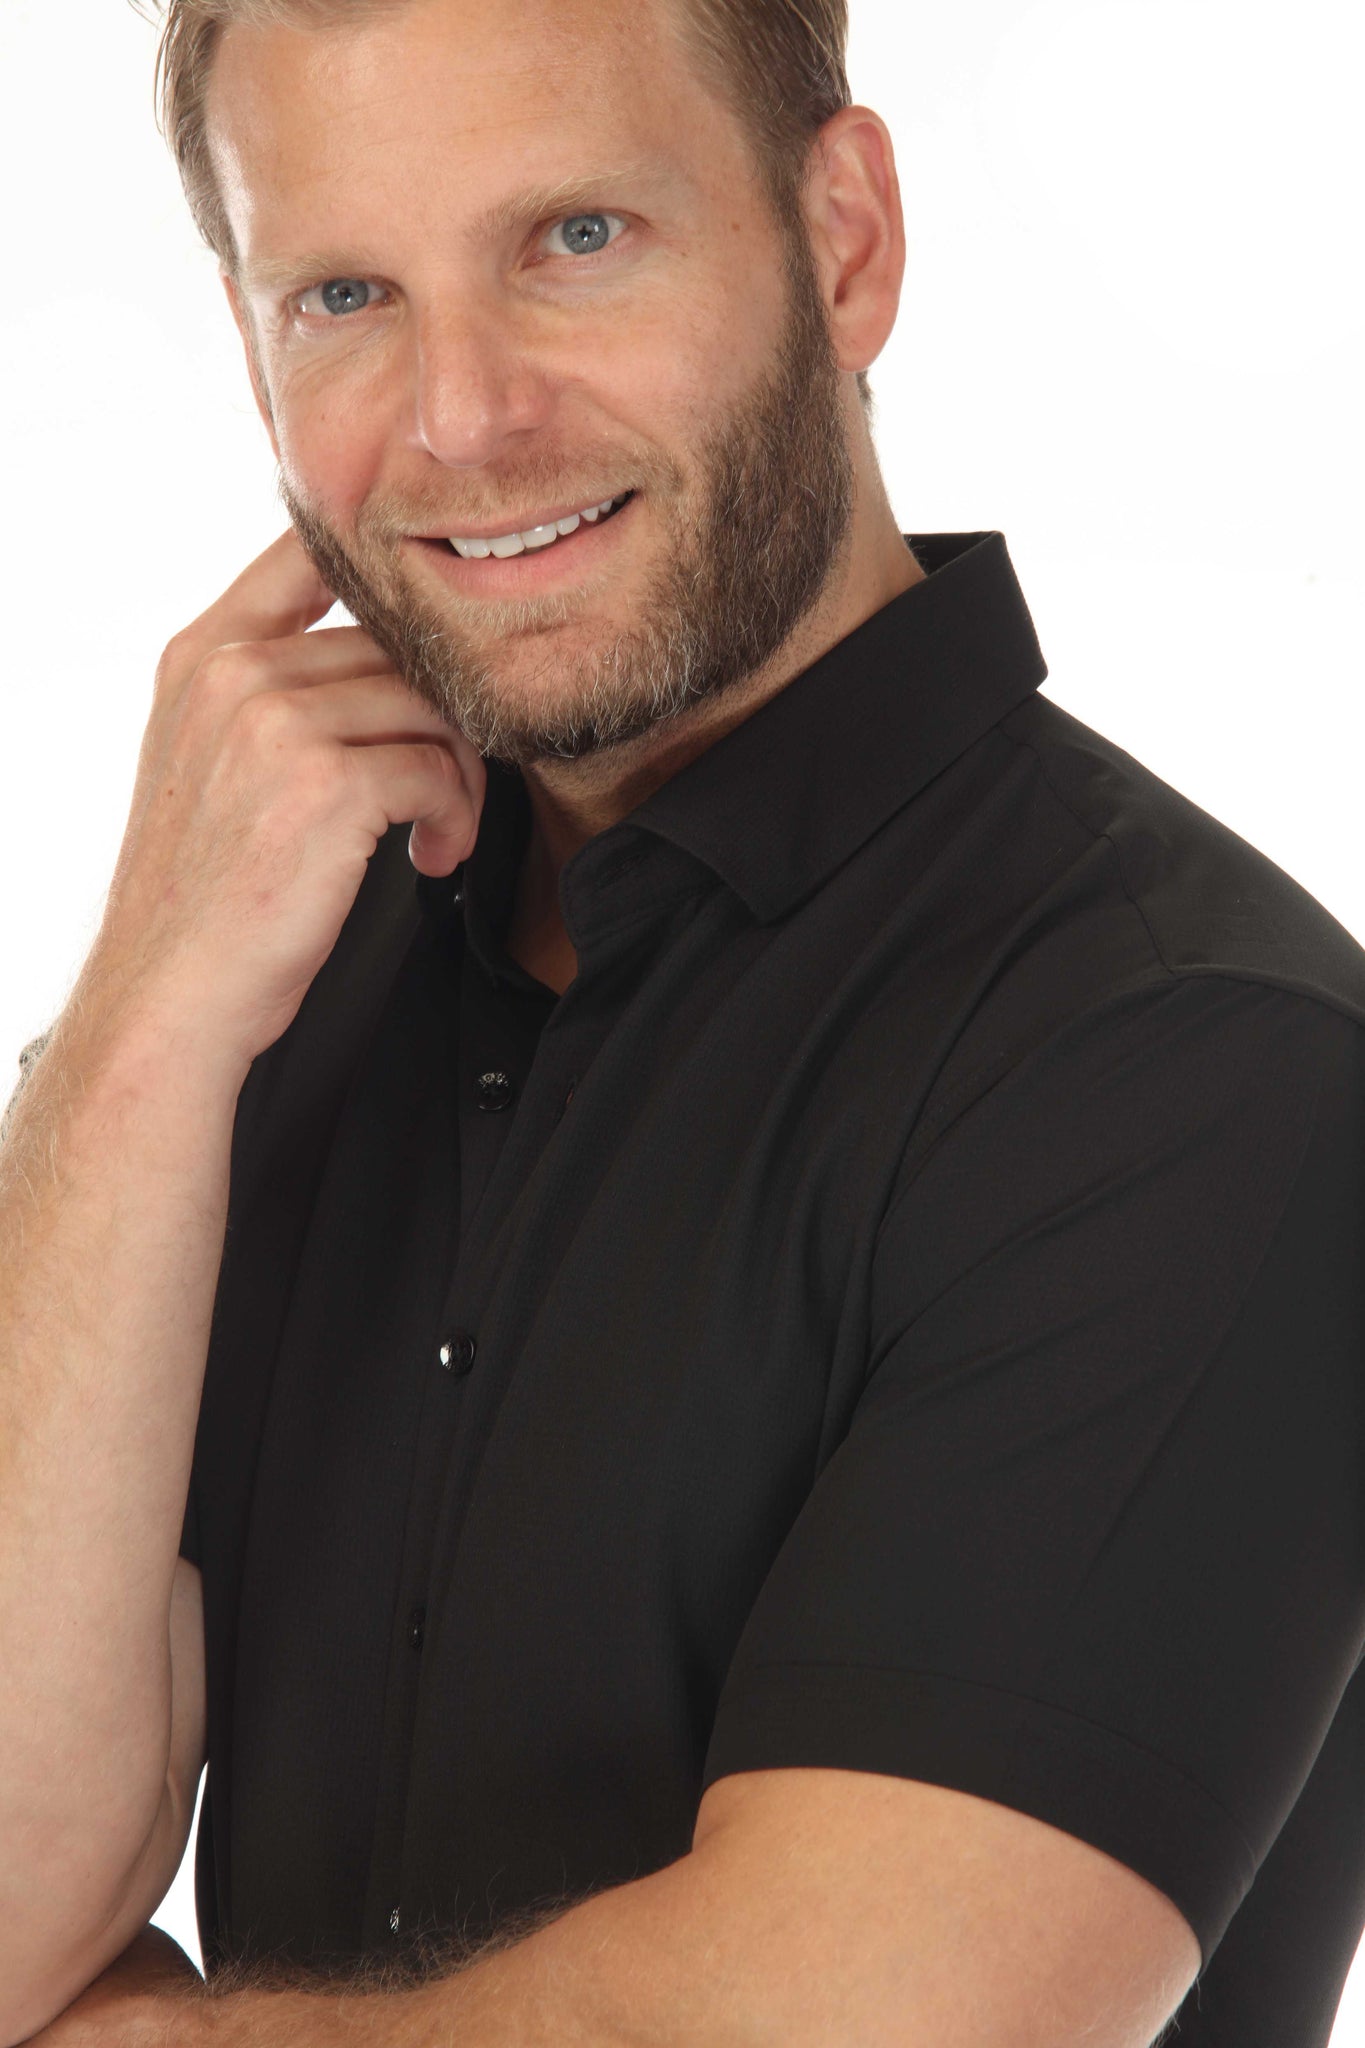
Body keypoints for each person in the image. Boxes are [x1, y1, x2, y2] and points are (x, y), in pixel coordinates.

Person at [1, 0, 1363, 2043]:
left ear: (843, 241)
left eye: (575, 238)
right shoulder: (249, 990)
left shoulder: (1201, 1066)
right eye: (345, 293)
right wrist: (130, 1031)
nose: (462, 417)